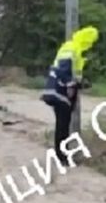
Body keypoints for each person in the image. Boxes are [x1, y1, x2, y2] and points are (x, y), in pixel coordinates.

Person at [41, 26, 99, 166]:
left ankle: (62, 155)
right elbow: (63, 71)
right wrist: (70, 85)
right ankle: (62, 157)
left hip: (58, 90)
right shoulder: (71, 48)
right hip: (59, 92)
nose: (90, 45)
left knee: (62, 125)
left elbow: (72, 72)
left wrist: (79, 83)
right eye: (90, 41)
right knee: (62, 126)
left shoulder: (75, 49)